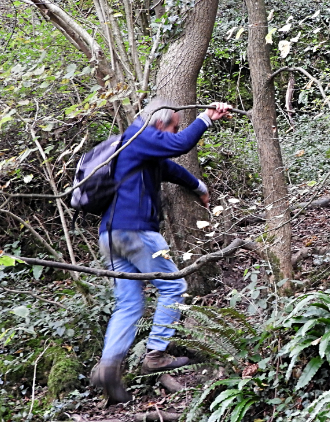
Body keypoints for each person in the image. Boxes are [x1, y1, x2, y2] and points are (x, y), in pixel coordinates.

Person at [91, 98, 232, 404]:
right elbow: (180, 145)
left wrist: (199, 187)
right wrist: (206, 118)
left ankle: (108, 367)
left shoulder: (136, 150)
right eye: (174, 126)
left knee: (128, 304)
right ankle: (156, 354)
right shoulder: (141, 135)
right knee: (174, 285)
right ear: (159, 123)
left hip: (110, 236)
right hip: (137, 232)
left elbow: (172, 169)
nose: (175, 132)